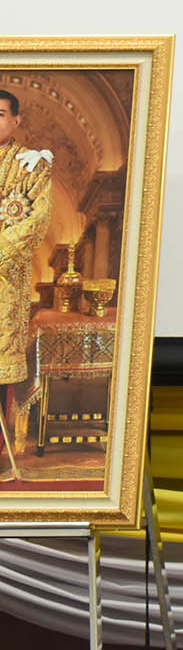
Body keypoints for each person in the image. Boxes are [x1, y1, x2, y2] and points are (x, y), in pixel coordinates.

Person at [0, 90, 53, 475]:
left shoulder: (31, 166)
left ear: (16, 120)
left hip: (3, 281)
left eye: (0, 114)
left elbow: (35, 222)